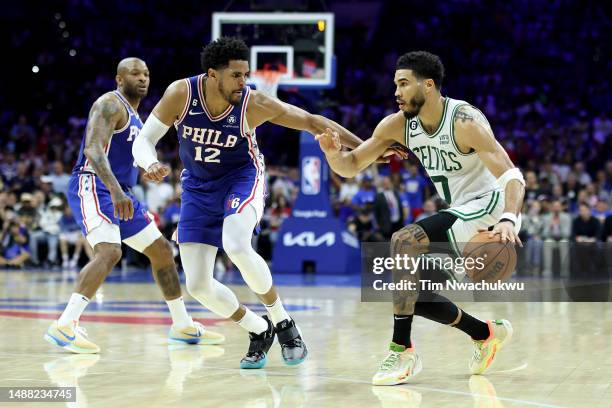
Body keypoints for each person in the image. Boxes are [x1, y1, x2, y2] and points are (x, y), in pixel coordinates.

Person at [132, 37, 374, 368]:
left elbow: (312, 121)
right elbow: (144, 139)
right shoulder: (181, 93)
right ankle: (258, 329)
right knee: (199, 285)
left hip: (242, 177)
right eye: (236, 75)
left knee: (236, 244)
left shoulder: (253, 103)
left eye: (246, 74)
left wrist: (367, 148)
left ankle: (283, 321)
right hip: (198, 188)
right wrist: (149, 163)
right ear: (212, 75)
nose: (244, 82)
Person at [316, 51, 525, 385]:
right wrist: (331, 154)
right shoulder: (396, 124)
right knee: (405, 289)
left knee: (404, 240)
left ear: (428, 85)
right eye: (395, 84)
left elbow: (512, 175)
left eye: (403, 83)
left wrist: (509, 220)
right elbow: (351, 165)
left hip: (489, 208)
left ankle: (402, 352)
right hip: (458, 213)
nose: (396, 92)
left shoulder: (464, 122)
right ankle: (484, 333)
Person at [44, 58, 224, 354]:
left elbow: (123, 157)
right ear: (119, 78)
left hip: (121, 190)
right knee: (110, 251)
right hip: (94, 185)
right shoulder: (109, 103)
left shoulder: (137, 117)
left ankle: (182, 325)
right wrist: (116, 192)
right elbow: (92, 150)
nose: (142, 78)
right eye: (135, 73)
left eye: (146, 74)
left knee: (162, 252)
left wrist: (147, 170)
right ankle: (65, 325)